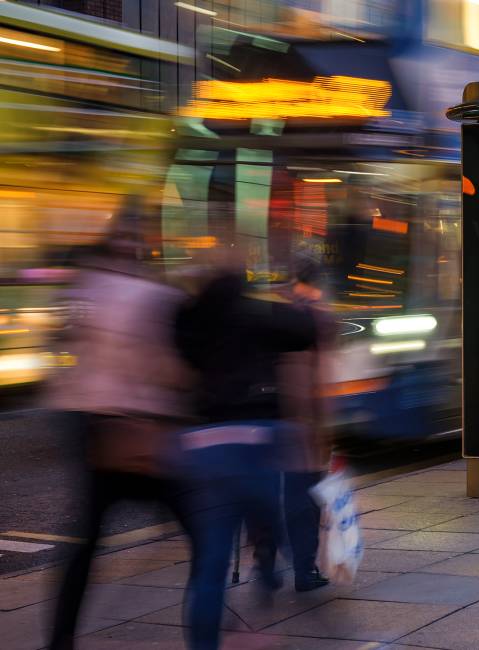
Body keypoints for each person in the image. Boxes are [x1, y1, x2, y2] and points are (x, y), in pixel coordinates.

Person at [47, 198, 193, 650]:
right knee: (202, 528)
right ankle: (212, 626)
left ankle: (60, 639)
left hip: (89, 424)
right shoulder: (154, 295)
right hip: (137, 429)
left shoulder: (82, 286)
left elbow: (63, 345)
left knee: (86, 538)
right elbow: (168, 370)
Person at [174, 260, 318, 650]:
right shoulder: (256, 312)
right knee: (273, 509)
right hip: (255, 437)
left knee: (212, 560)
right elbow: (306, 330)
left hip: (204, 444)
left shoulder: (192, 320)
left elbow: (181, 356)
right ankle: (279, 564)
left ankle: (203, 644)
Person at [256, 255, 334, 592]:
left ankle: (266, 565)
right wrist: (324, 427)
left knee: (269, 496)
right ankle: (304, 571)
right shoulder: (317, 318)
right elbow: (322, 377)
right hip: (303, 424)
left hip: (267, 420)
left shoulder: (267, 312)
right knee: (304, 502)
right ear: (317, 282)